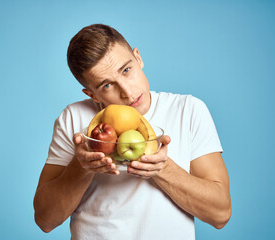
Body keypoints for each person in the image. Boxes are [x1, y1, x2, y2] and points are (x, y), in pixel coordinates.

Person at [33, 24, 231, 239]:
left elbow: (220, 214)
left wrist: (163, 169)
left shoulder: (189, 110)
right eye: (107, 85)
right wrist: (81, 167)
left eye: (126, 70)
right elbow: (45, 220)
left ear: (138, 57)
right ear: (92, 94)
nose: (127, 92)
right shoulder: (74, 118)